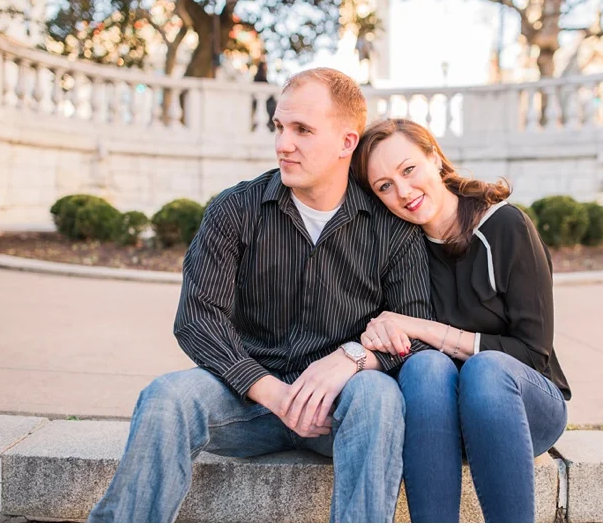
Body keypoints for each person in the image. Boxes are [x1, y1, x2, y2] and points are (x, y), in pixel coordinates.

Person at [88, 70, 433, 523]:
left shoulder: (392, 228)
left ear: (346, 142)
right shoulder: (235, 209)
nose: (283, 144)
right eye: (279, 127)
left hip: (339, 408)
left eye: (302, 130)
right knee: (167, 395)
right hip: (245, 400)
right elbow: (198, 318)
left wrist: (351, 359)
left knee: (378, 396)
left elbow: (415, 331)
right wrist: (270, 391)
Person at [351, 118, 572, 523]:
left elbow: (533, 354)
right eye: (384, 186)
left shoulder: (506, 226)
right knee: (424, 366)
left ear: (435, 158)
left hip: (522, 408)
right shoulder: (403, 248)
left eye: (409, 169)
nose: (403, 192)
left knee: (485, 370)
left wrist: (422, 328)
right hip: (442, 421)